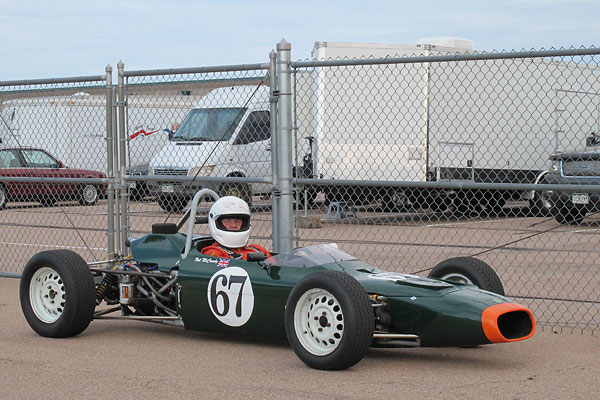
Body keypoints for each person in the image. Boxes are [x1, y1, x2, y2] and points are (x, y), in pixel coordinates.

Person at [200, 196, 271, 260]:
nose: (233, 225)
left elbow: (275, 268)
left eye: (238, 221)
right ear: (217, 223)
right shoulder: (214, 253)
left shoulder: (258, 249)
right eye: (227, 221)